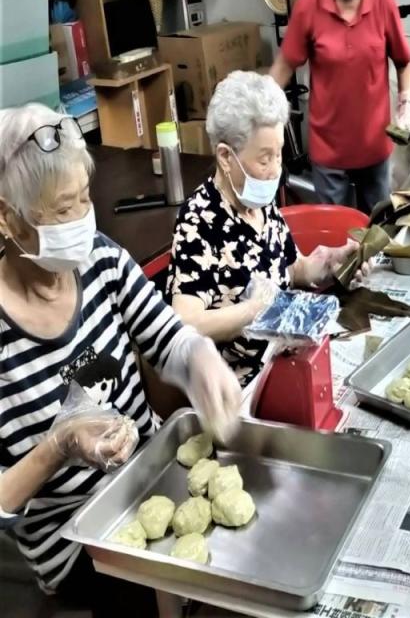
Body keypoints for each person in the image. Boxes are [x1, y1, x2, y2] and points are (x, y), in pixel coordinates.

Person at [0, 104, 240, 614]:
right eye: (62, 210)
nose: (82, 221)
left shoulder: (101, 258)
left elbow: (169, 339)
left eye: (85, 199)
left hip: (154, 475)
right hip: (75, 539)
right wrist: (60, 444)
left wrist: (199, 360)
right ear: (7, 218)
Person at [167, 71, 368, 386]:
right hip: (245, 385)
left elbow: (292, 268)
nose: (276, 169)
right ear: (225, 157)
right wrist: (256, 310)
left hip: (290, 360)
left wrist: (331, 263)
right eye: (264, 159)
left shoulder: (260, 202)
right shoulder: (200, 222)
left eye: (278, 155)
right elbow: (186, 322)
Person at [269, 0, 410, 214]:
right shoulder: (309, 6)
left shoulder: (383, 0)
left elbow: (404, 61)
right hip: (328, 149)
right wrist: (259, 110)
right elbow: (284, 65)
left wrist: (406, 104)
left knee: (376, 228)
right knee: (333, 239)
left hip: (375, 145)